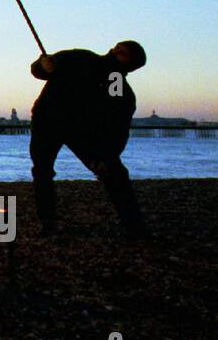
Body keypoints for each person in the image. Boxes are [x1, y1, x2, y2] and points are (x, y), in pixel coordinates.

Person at [29, 40, 149, 238]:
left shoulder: (115, 81)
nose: (117, 50)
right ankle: (48, 222)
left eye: (124, 52)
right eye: (119, 46)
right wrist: (43, 65)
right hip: (48, 122)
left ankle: (134, 225)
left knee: (113, 172)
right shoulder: (81, 56)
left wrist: (109, 153)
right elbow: (39, 69)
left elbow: (117, 121)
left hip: (82, 131)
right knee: (42, 171)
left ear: (130, 65)